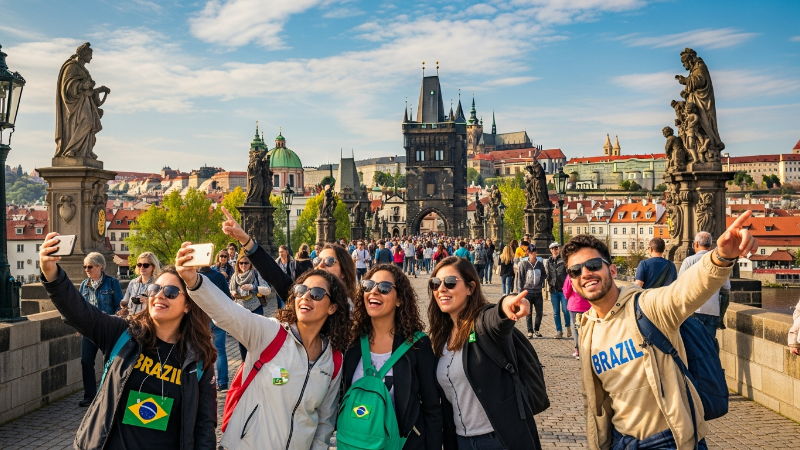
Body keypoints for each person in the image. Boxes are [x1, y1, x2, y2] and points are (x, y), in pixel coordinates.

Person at [562, 211, 756, 449]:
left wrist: (721, 257)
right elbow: (593, 402)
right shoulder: (587, 330)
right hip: (621, 441)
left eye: (593, 265)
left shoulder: (647, 306)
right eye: (575, 271)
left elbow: (685, 290)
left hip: (667, 440)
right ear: (571, 281)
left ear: (611, 271)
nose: (585, 274)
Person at [39, 233, 217, 449]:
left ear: (188, 305)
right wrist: (52, 275)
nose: (159, 296)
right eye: (154, 289)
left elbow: (205, 425)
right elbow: (79, 312)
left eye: (170, 292)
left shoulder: (197, 359)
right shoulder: (123, 334)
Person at [176, 243, 350, 450]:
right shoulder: (270, 333)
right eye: (301, 290)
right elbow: (228, 313)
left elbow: (324, 422)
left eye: (317, 293)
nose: (305, 296)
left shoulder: (332, 359)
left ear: (332, 307)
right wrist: (194, 281)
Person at [427, 256, 542, 450]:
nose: (441, 289)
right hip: (461, 441)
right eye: (436, 283)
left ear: (471, 288)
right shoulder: (441, 337)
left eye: (450, 282)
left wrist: (507, 305)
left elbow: (496, 317)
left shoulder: (482, 324)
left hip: (498, 439)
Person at [343, 264, 443, 449]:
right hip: (356, 444)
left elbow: (432, 409)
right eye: (368, 285)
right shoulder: (351, 341)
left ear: (399, 300)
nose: (374, 291)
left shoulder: (418, 345)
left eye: (384, 288)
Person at [78, 252, 124, 406]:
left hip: (107, 330)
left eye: (90, 266)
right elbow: (80, 309)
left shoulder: (112, 283)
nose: (87, 269)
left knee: (109, 363)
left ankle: (108, 395)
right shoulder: (84, 284)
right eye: (85, 266)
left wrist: (115, 319)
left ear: (100, 266)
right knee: (86, 362)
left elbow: (119, 305)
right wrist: (79, 326)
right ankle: (89, 396)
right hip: (89, 331)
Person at [677, 232, 731, 339]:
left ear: (696, 244)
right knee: (709, 345)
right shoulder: (720, 262)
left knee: (694, 345)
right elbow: (726, 290)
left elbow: (679, 286)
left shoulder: (689, 261)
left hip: (693, 311)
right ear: (710, 245)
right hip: (713, 311)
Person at [229, 251, 272, 361]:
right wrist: (233, 293)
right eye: (241, 263)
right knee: (242, 339)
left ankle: (257, 362)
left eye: (246, 263)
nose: (243, 265)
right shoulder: (235, 276)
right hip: (240, 310)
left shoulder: (256, 273)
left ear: (251, 264)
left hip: (255, 309)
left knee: (255, 339)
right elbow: (231, 289)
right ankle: (245, 363)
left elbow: (267, 290)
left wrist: (253, 287)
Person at [197, 263, 233, 391]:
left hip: (200, 317)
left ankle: (202, 382)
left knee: (200, 349)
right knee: (220, 350)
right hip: (218, 315)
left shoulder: (195, 277)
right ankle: (222, 382)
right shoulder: (219, 276)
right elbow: (227, 297)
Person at [517, 245, 546, 339]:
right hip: (527, 292)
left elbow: (544, 275)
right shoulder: (524, 264)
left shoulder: (540, 264)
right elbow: (520, 278)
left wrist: (541, 282)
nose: (534, 254)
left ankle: (536, 329)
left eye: (535, 252)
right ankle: (530, 331)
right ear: (528, 253)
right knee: (528, 312)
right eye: (532, 252)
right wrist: (519, 292)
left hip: (538, 292)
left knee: (539, 313)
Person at [121, 251, 160, 316]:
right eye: (139, 265)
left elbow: (161, 305)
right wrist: (123, 303)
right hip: (131, 319)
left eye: (145, 265)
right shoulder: (133, 282)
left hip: (147, 321)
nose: (142, 267)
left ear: (153, 266)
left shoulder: (157, 284)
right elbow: (126, 300)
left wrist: (148, 301)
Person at [546, 242, 570, 340]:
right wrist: (549, 284)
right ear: (550, 250)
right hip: (553, 290)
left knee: (565, 310)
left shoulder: (564, 260)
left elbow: (568, 273)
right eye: (552, 249)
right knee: (556, 312)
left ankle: (568, 327)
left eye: (556, 248)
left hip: (563, 289)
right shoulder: (549, 261)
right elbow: (547, 274)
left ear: (559, 249)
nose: (554, 250)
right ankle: (559, 331)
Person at [563, 274, 590, 360]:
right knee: (587, 329)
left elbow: (566, 290)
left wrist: (568, 298)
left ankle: (578, 350)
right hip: (588, 305)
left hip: (575, 305)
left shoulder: (571, 275)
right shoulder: (588, 273)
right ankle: (588, 350)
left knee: (576, 329)